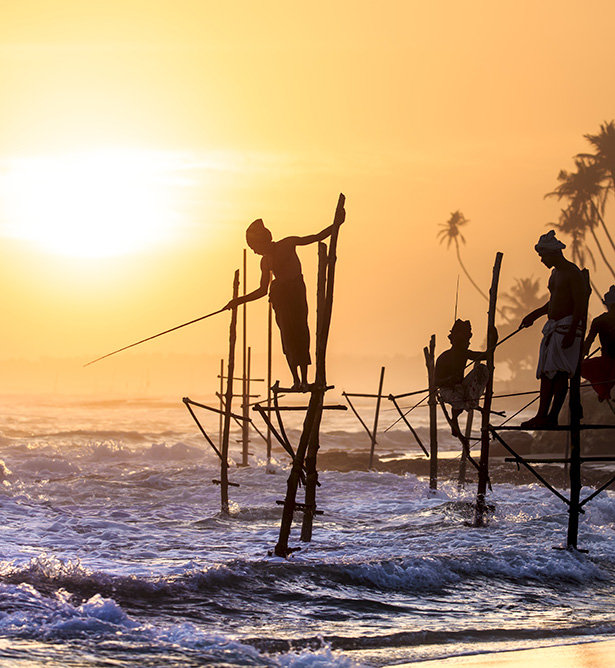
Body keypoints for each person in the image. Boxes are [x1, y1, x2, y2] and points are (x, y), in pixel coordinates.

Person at [225, 216, 343, 390]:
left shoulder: (287, 244)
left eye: (255, 247)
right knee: (287, 338)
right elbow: (262, 290)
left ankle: (304, 379)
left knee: (300, 333)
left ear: (263, 241)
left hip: (295, 293)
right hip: (281, 299)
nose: (254, 251)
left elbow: (316, 237)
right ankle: (296, 380)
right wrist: (238, 300)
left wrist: (337, 224)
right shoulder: (265, 262)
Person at [519, 230, 588, 428]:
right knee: (547, 372)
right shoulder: (555, 274)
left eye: (543, 256)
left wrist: (572, 330)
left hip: (568, 328)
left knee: (559, 374)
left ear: (554, 253)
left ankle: (552, 416)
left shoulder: (572, 273)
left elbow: (579, 305)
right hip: (554, 327)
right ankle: (542, 415)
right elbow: (553, 301)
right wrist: (534, 315)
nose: (542, 260)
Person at [435, 319, 490, 437]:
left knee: (482, 369)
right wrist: (449, 379)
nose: (467, 344)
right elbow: (435, 382)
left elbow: (485, 356)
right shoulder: (444, 357)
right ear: (452, 340)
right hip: (447, 390)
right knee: (459, 401)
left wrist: (493, 343)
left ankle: (471, 401)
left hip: (461, 387)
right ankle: (455, 417)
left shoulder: (465, 353)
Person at [581, 285, 615, 402]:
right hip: (606, 363)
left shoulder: (599, 321)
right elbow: (588, 344)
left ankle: (605, 391)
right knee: (581, 366)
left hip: (607, 363)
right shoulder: (599, 321)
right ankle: (604, 391)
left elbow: (587, 344)